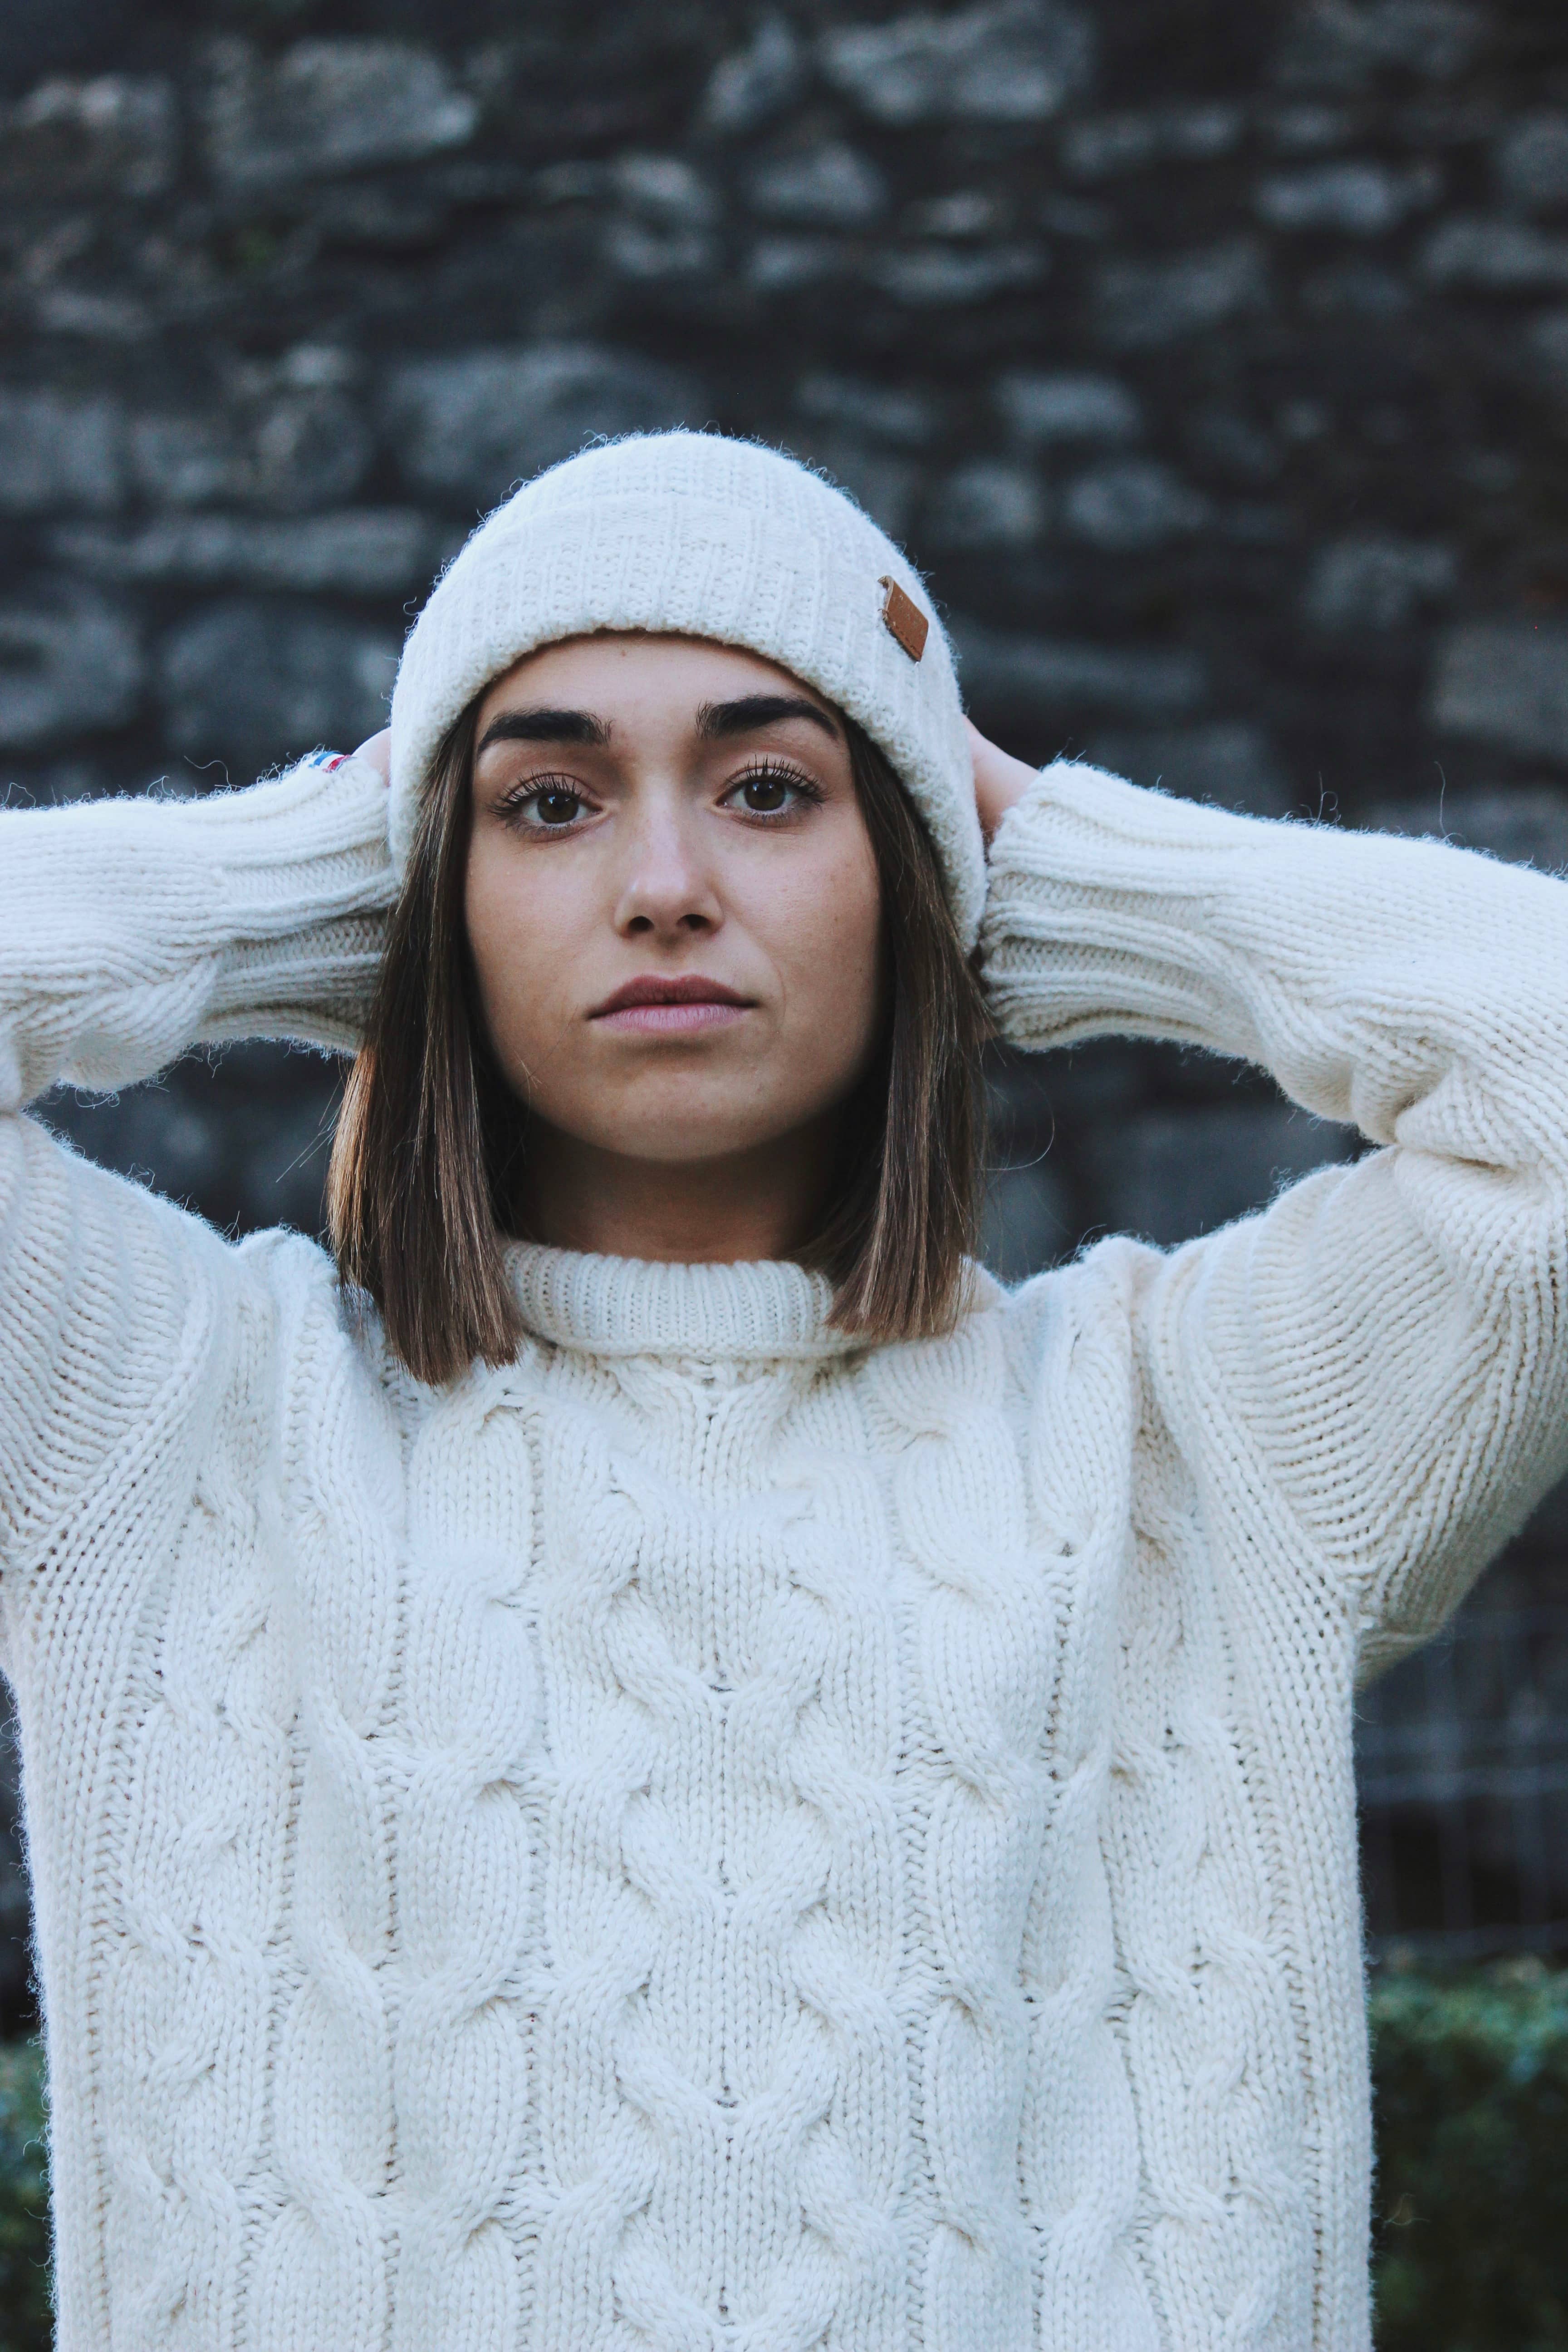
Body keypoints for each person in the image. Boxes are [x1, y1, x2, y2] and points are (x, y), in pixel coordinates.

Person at [0, 430, 1564, 2352]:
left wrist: (1065, 879)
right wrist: (291, 887)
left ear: (913, 873)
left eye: (767, 788)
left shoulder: (1198, 1436)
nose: (664, 885)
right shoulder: (159, 1420)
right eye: (549, 804)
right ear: (431, 887)